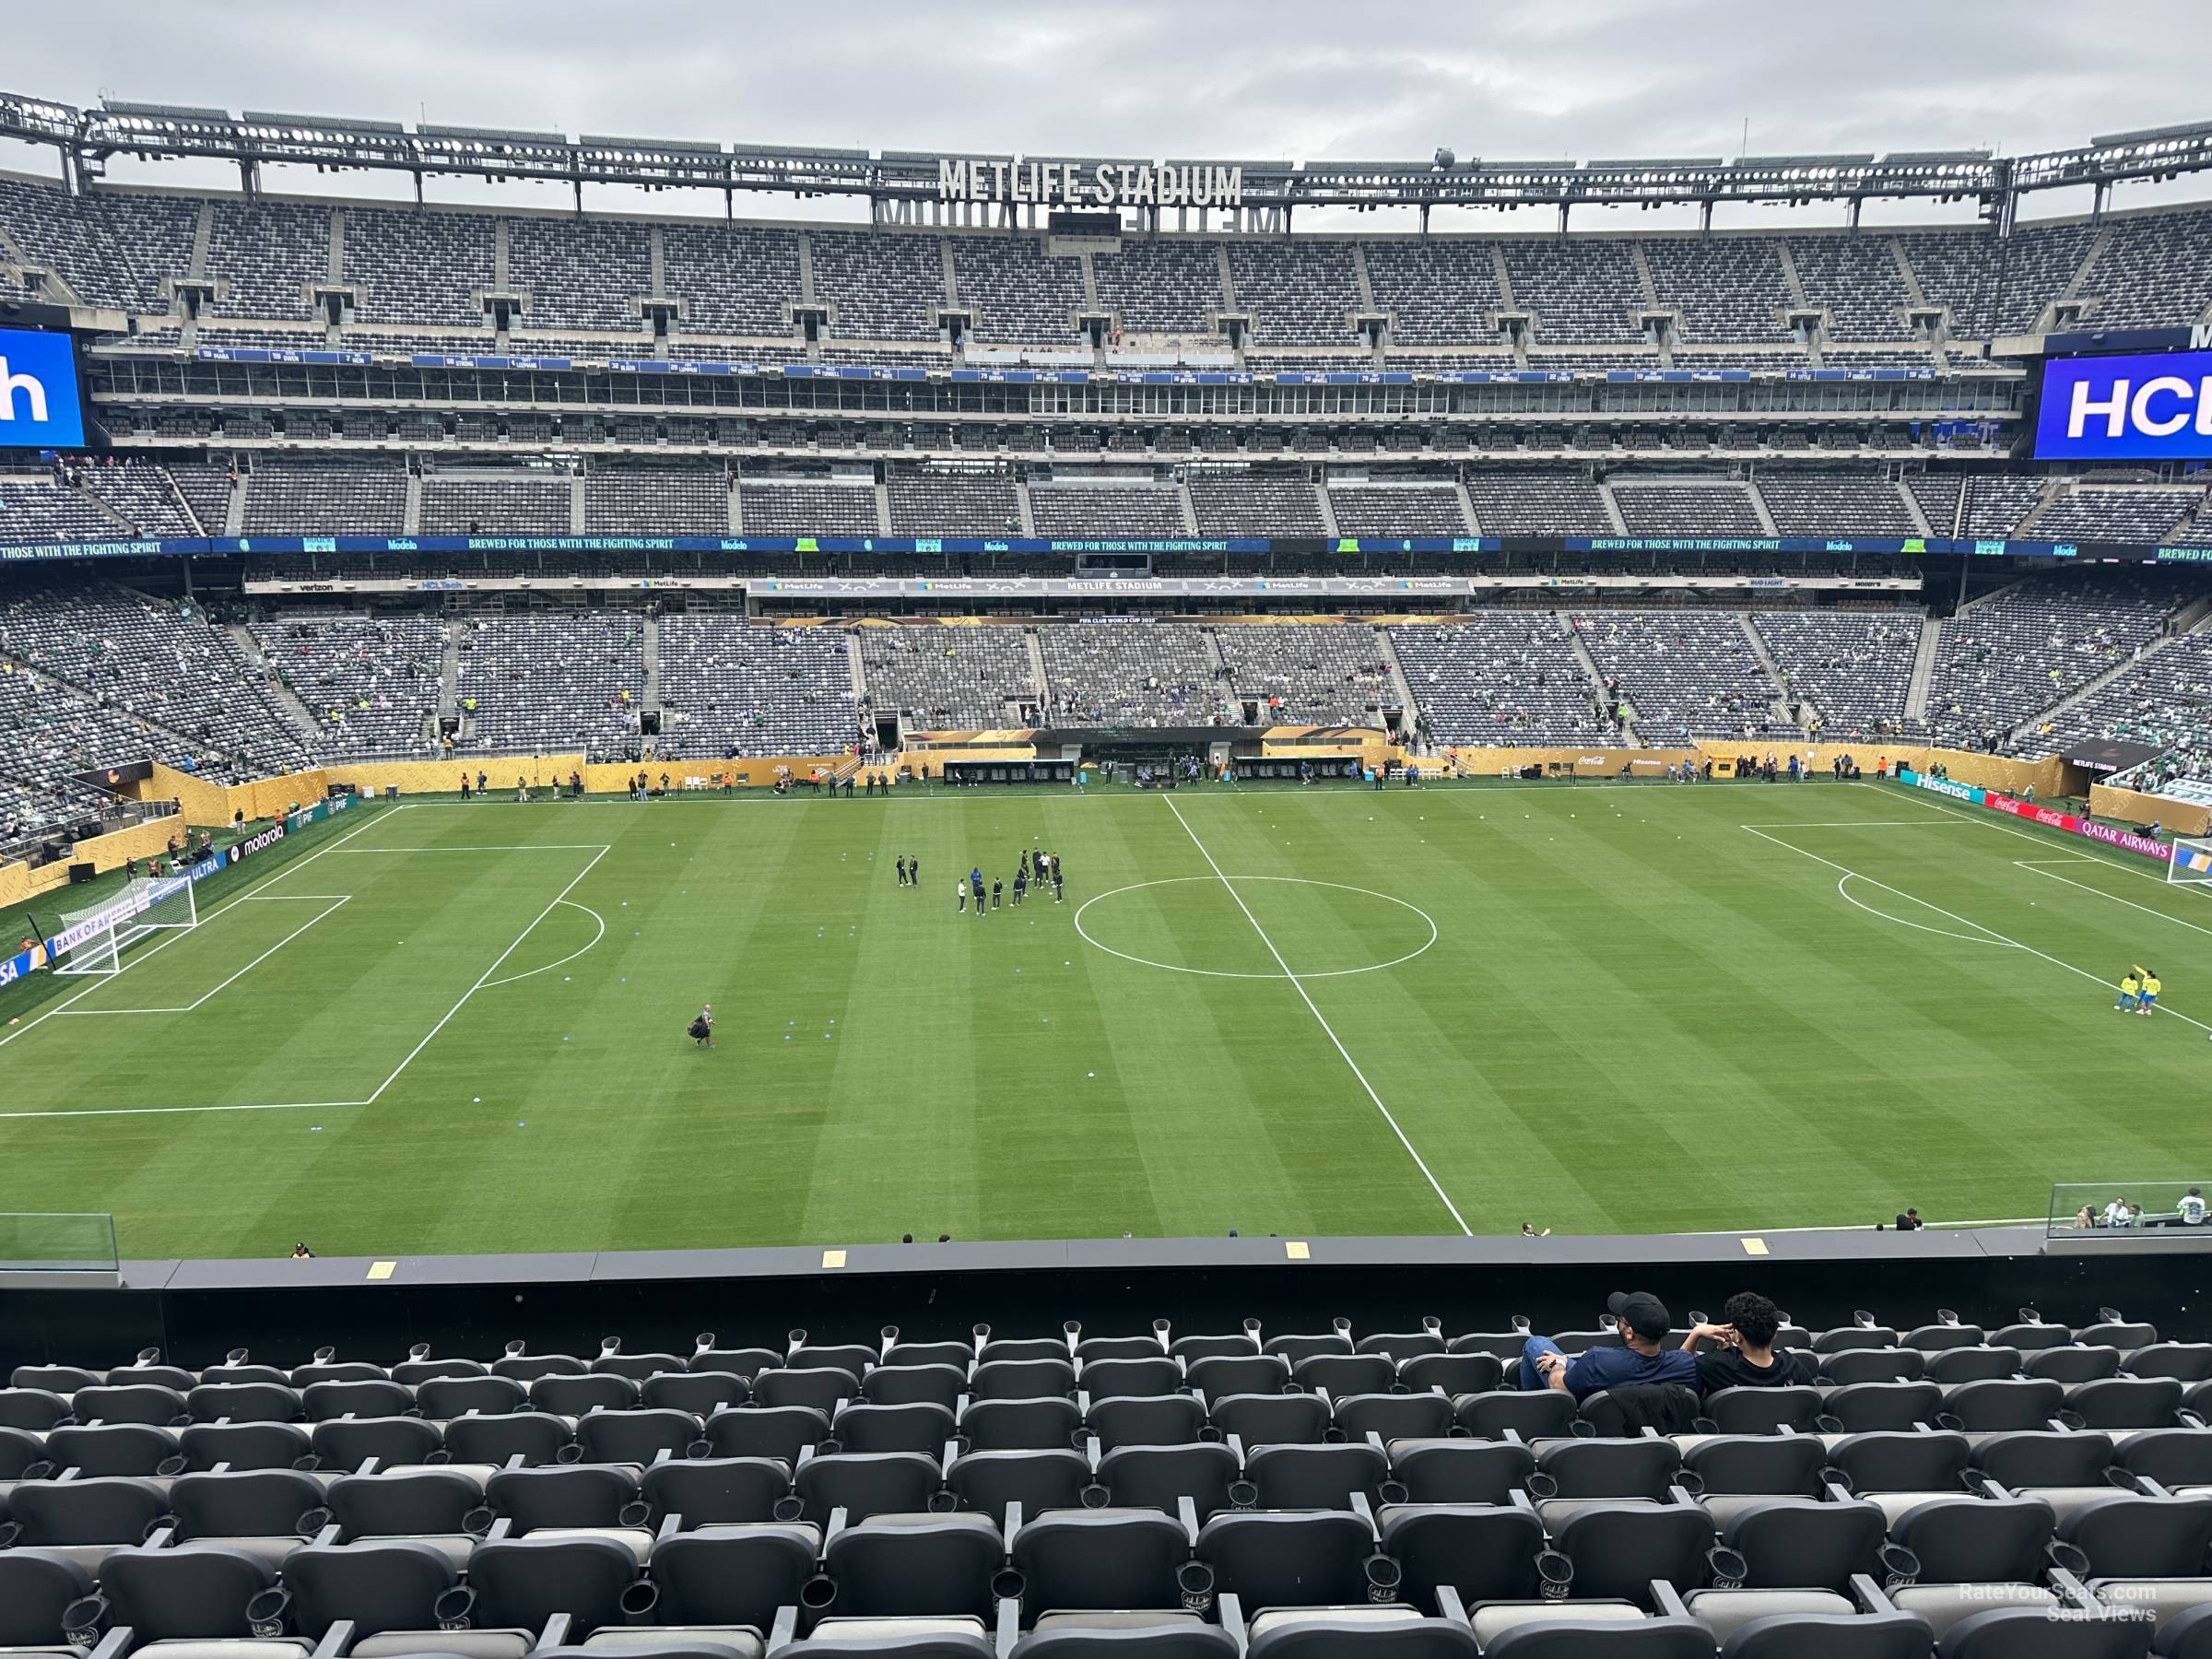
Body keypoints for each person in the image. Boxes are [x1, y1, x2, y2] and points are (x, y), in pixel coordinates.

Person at [1518, 1290, 1699, 1399]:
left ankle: (1532, 1407)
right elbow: (1684, 1358)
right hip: (1635, 1427)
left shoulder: (1598, 1360)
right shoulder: (1686, 1364)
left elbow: (1560, 1388)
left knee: (1535, 1343)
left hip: (1585, 1413)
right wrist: (1696, 1333)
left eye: (1619, 1319)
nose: (1617, 1321)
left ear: (1630, 1332)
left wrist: (1558, 1365)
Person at [1679, 1292, 1812, 1394]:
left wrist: (1696, 1333)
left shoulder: (1713, 1365)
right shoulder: (1793, 1366)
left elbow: (1679, 1369)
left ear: (1738, 1337)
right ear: (1775, 1333)